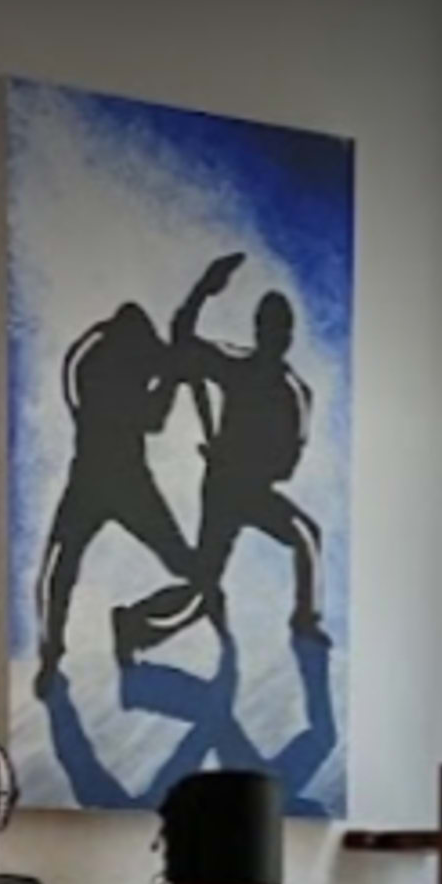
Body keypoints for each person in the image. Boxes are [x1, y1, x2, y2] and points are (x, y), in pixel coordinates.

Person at [117, 252, 327, 662]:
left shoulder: (294, 392)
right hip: (225, 490)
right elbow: (183, 339)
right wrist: (202, 290)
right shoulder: (238, 366)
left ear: (289, 335)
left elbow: (289, 461)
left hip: (250, 487)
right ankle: (136, 626)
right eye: (269, 328)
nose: (275, 337)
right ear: (260, 330)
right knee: (203, 589)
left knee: (304, 535)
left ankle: (306, 622)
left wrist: (249, 461)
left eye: (281, 330)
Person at [30, 302, 197, 689]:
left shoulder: (110, 350)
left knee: (188, 569)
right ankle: (53, 652)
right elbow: (153, 418)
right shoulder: (98, 366)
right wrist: (171, 380)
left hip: (123, 478)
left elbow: (169, 355)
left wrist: (176, 365)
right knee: (59, 568)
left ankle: (132, 624)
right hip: (103, 479)